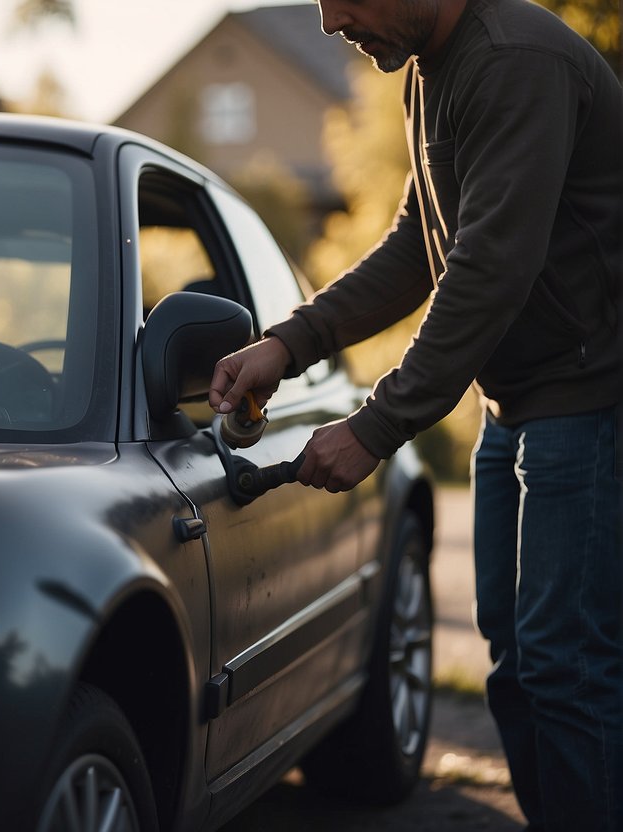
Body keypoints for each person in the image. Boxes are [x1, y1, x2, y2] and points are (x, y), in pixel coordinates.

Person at [208, 0, 622, 828]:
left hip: (587, 401)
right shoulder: (430, 73)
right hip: (515, 408)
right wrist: (289, 343)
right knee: (515, 663)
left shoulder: (513, 61)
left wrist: (374, 426)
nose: (328, 22)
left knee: (562, 668)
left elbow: (486, 269)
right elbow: (418, 248)